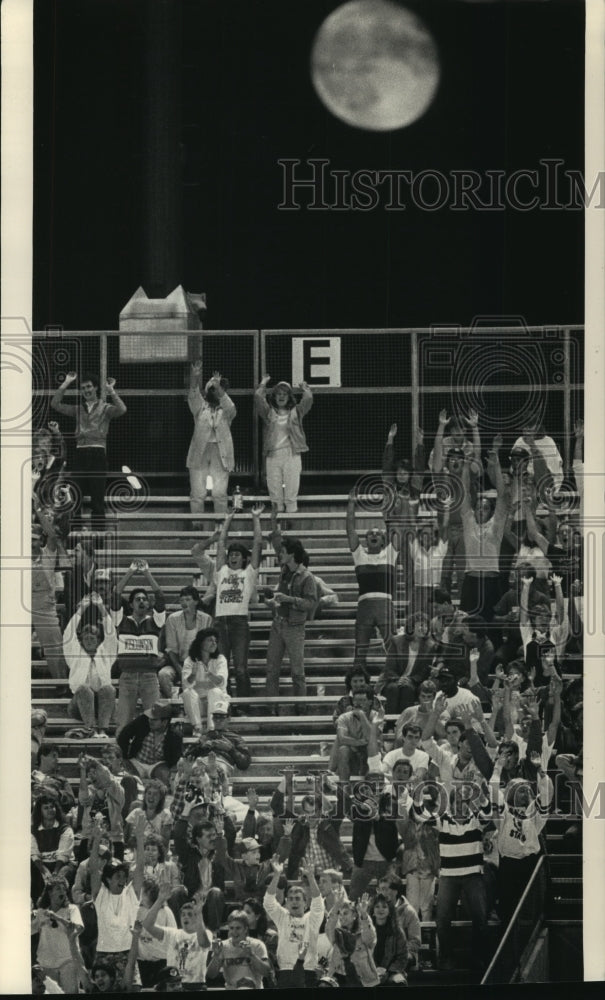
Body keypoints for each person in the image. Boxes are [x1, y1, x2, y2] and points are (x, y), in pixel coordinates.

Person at [411, 779, 492, 973]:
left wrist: (480, 795)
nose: (460, 806)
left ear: (468, 804)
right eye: (456, 802)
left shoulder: (476, 820)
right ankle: (446, 958)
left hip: (473, 876)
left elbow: (488, 812)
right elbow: (419, 814)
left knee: (480, 918)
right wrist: (418, 793)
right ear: (452, 803)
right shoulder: (443, 820)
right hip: (448, 876)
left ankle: (478, 958)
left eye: (464, 802)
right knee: (443, 919)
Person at [50, 371, 126, 530]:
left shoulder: (105, 408)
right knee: (75, 497)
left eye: (89, 387)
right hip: (80, 454)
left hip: (98, 454)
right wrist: (66, 383)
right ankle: (75, 538)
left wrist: (111, 390)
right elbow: (55, 404)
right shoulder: (78, 409)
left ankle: (97, 543)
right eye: (83, 388)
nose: (86, 390)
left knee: (97, 501)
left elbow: (122, 409)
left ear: (96, 388)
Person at [211, 505, 264, 703]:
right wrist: (227, 519)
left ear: (243, 559)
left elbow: (258, 543)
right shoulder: (221, 571)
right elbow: (220, 543)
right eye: (231, 554)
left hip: (239, 623)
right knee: (222, 669)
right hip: (220, 622)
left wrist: (255, 518)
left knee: (240, 668)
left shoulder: (248, 574)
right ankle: (225, 705)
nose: (233, 556)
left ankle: (244, 705)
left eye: (237, 554)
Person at [346, 488, 400, 672]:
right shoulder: (359, 554)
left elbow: (397, 528)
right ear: (366, 540)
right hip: (365, 607)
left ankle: (395, 679)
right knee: (360, 651)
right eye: (370, 534)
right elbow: (350, 530)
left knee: (393, 649)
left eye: (378, 534)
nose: (374, 535)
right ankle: (356, 686)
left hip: (385, 605)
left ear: (383, 539)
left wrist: (391, 505)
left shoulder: (390, 553)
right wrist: (351, 504)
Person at [111, 559, 167, 733]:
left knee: (155, 721)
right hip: (127, 677)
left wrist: (146, 572)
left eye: (144, 599)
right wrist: (131, 571)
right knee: (123, 723)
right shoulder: (120, 620)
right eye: (137, 599)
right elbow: (115, 593)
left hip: (150, 677)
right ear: (131, 604)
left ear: (148, 604)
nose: (141, 601)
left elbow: (160, 595)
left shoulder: (156, 621)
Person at [263, 535, 317, 704]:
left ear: (292, 554)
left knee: (297, 672)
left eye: (284, 552)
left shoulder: (307, 577)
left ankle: (300, 710)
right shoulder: (285, 571)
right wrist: (274, 602)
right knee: (271, 669)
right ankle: (272, 707)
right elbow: (277, 544)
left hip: (295, 627)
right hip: (278, 623)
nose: (280, 554)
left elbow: (311, 603)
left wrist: (289, 599)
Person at [459, 443, 509, 622]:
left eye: (486, 507)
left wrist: (496, 465)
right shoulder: (469, 521)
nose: (481, 509)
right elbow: (464, 492)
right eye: (479, 506)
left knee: (492, 629)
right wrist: (465, 464)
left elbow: (502, 497)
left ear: (490, 511)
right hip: (471, 582)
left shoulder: (496, 526)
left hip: (491, 583)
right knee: (465, 628)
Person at [88, 815, 146, 967]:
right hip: (103, 953)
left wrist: (140, 838)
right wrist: (96, 840)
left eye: (124, 876)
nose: (122, 879)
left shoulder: (130, 894)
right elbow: (93, 870)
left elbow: (140, 868)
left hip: (128, 953)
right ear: (107, 879)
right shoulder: (101, 895)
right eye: (117, 876)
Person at [142, 872, 213, 989]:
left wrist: (199, 913)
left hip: (195, 985)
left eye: (190, 914)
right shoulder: (172, 933)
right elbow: (147, 925)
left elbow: (204, 943)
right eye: (183, 914)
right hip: (173, 984)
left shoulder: (206, 933)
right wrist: (160, 900)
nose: (186, 917)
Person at [255, 375, 313, 513]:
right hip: (273, 455)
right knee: (275, 496)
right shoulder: (269, 413)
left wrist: (305, 389)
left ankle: (290, 530)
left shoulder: (296, 412)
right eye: (278, 394)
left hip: (292, 454)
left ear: (289, 397)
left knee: (291, 495)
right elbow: (258, 398)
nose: (281, 397)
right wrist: (263, 384)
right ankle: (277, 530)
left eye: (284, 394)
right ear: (274, 397)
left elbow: (308, 400)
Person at [263, 856, 325, 986]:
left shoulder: (312, 919)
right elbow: (268, 902)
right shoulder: (283, 917)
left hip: (308, 971)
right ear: (286, 903)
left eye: (297, 898)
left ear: (305, 903)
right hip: (286, 971)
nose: (294, 901)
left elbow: (318, 902)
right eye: (290, 899)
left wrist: (310, 877)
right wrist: (277, 875)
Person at [62, 594, 117, 737]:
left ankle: (103, 731)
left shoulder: (106, 652)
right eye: (85, 638)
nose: (89, 640)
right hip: (79, 705)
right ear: (81, 640)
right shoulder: (74, 653)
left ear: (98, 640)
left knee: (109, 689)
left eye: (92, 638)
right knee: (84, 689)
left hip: (102, 705)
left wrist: (101, 607)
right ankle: (90, 729)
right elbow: (68, 633)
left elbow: (111, 634)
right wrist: (81, 609)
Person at [186, 363, 236, 518]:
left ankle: (221, 526)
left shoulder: (226, 410)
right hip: (200, 451)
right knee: (197, 492)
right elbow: (194, 393)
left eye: (217, 390)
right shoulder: (200, 408)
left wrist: (218, 386)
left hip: (221, 453)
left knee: (220, 492)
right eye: (211, 389)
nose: (214, 392)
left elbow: (230, 407)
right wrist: (195, 377)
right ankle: (197, 525)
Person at [31, 875, 84, 994]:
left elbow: (78, 928)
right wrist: (31, 917)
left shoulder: (72, 909)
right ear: (50, 892)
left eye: (64, 889)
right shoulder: (40, 912)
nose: (63, 892)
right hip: (46, 963)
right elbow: (27, 931)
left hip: (68, 960)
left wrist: (57, 918)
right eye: (59, 889)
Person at [160, 587, 213, 699]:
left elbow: (208, 648)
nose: (184, 603)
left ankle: (196, 703)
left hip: (199, 663)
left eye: (188, 599)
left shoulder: (206, 619)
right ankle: (177, 704)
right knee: (163, 674)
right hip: (178, 663)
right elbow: (171, 649)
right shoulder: (172, 619)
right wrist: (182, 670)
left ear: (196, 601)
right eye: (182, 600)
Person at [377, 613, 435, 714]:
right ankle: (390, 724)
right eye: (421, 625)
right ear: (411, 627)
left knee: (407, 689)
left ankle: (405, 725)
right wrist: (398, 679)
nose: (424, 628)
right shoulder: (397, 641)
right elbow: (389, 667)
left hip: (414, 682)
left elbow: (425, 671)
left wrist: (410, 680)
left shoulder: (430, 646)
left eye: (426, 625)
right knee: (393, 688)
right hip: (393, 679)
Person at [32, 516, 68, 679]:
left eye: (34, 539)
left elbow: (53, 536)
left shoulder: (48, 553)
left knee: (55, 647)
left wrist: (39, 510)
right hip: (19, 604)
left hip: (44, 605)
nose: (31, 543)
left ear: (41, 540)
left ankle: (61, 685)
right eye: (28, 539)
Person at [118, 700, 183, 787]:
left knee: (165, 778)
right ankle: (145, 783)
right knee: (124, 775)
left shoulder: (175, 736)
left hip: (157, 765)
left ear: (164, 722)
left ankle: (142, 783)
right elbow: (123, 736)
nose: (150, 721)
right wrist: (125, 756)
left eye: (154, 719)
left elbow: (175, 759)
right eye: (149, 718)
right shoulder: (143, 721)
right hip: (137, 762)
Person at [77, 752, 126, 862]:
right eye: (90, 773)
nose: (93, 775)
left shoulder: (116, 790)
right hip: (90, 838)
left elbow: (109, 779)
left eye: (95, 772)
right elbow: (83, 798)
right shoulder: (89, 790)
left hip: (114, 838)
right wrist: (83, 771)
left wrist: (95, 762)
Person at [206, 909, 272, 989]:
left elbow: (267, 972)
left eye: (238, 928)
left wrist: (252, 955)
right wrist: (216, 956)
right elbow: (211, 975)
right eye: (231, 928)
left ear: (245, 929)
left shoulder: (257, 945)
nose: (234, 932)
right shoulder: (222, 946)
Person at [325, 894, 380, 987]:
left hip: (361, 979)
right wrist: (336, 907)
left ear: (354, 915)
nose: (341, 917)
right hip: (339, 977)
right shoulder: (338, 933)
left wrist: (363, 914)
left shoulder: (362, 933)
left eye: (345, 913)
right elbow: (329, 927)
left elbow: (370, 937)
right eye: (340, 914)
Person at [182, 628, 229, 737]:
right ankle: (197, 727)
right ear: (201, 643)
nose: (214, 643)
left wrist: (208, 675)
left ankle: (212, 729)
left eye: (215, 641)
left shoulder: (220, 659)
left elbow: (220, 682)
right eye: (210, 640)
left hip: (217, 703)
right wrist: (193, 675)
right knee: (188, 692)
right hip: (197, 704)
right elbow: (186, 684)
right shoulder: (189, 660)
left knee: (215, 691)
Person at [190, 701, 251, 774]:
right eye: (215, 717)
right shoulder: (206, 736)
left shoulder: (236, 738)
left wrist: (231, 749)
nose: (218, 720)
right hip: (203, 761)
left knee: (217, 769)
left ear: (228, 719)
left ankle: (213, 775)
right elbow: (187, 756)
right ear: (212, 719)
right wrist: (201, 747)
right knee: (196, 770)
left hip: (223, 762)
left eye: (222, 718)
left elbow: (245, 764)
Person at [368, 894, 409, 986]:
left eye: (384, 906)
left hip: (393, 971)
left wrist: (388, 971)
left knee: (398, 982)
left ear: (390, 911)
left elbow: (403, 957)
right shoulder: (366, 930)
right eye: (377, 906)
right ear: (373, 911)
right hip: (370, 971)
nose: (380, 909)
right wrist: (375, 972)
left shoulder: (397, 931)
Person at [31, 797, 75, 881]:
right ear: (40, 811)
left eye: (52, 807)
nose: (50, 810)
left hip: (63, 865)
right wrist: (44, 871)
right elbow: (34, 854)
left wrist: (55, 873)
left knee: (57, 882)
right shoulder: (33, 830)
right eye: (46, 808)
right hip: (41, 865)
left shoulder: (65, 829)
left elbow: (63, 855)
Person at [125, 779, 173, 850]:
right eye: (149, 793)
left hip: (157, 854)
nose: (151, 796)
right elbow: (128, 839)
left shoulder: (165, 815)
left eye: (155, 794)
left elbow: (165, 842)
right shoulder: (136, 813)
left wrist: (151, 836)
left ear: (161, 798)